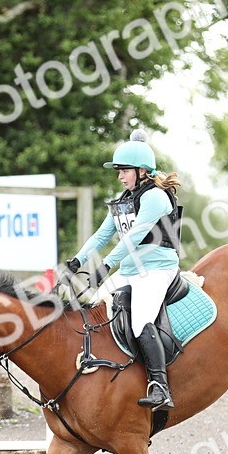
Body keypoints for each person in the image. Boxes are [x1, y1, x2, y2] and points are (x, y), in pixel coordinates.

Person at [62, 130, 183, 410]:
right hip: (131, 269)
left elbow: (134, 237)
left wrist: (105, 266)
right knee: (92, 308)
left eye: (124, 170)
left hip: (156, 269)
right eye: (118, 171)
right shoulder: (125, 198)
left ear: (142, 171)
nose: (120, 176)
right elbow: (103, 235)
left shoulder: (155, 197)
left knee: (141, 321)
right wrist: (77, 261)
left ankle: (159, 386)